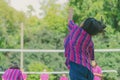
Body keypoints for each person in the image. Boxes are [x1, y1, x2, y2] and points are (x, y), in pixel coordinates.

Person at [64, 7, 106, 80]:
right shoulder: (89, 40)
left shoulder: (76, 29)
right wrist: (92, 59)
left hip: (76, 66)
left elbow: (69, 22)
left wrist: (70, 13)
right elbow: (92, 55)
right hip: (88, 69)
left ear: (84, 24)